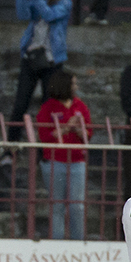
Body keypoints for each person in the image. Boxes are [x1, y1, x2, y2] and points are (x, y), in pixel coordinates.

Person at [6, 0, 72, 141]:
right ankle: (11, 147)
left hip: (52, 61)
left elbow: (50, 15)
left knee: (48, 107)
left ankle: (45, 149)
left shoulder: (65, 3)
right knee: (20, 104)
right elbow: (23, 15)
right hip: (32, 57)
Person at [35, 68, 90, 241]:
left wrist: (79, 129)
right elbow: (44, 136)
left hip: (77, 161)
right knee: (56, 205)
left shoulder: (80, 105)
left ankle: (78, 241)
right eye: (73, 83)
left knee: (77, 206)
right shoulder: (48, 108)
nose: (76, 87)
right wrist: (66, 128)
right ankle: (56, 242)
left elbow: (89, 134)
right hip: (54, 161)